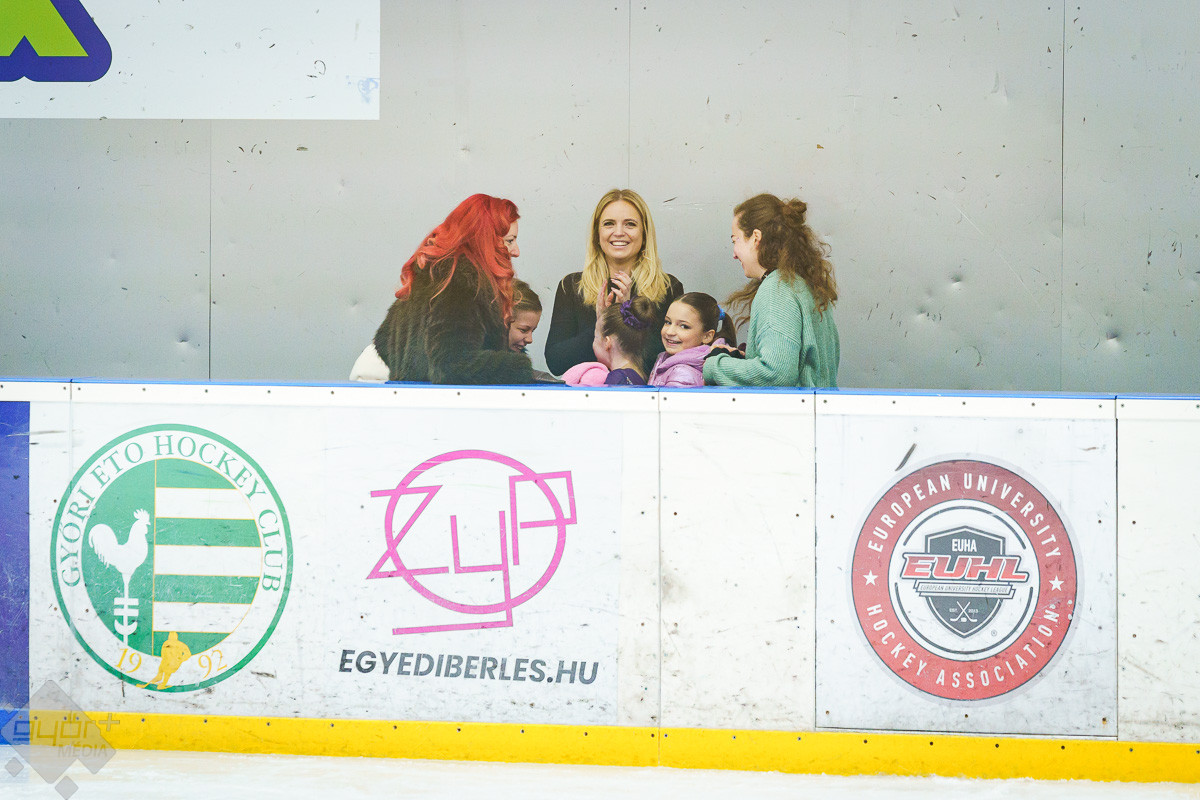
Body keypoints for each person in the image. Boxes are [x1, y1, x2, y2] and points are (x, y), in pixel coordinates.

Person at [372, 194, 534, 385]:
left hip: (410, 398)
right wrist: (518, 367)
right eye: (510, 241)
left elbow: (383, 340)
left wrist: (415, 370)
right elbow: (451, 366)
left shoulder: (431, 276)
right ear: (484, 240)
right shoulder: (463, 285)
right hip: (449, 402)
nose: (516, 251)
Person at [702, 193, 840, 388]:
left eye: (735, 240)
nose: (734, 254)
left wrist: (714, 366)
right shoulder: (804, 286)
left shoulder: (777, 289)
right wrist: (744, 362)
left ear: (755, 238)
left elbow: (776, 373)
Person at [544, 189, 684, 376]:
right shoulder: (571, 286)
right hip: (587, 392)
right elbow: (556, 362)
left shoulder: (668, 288)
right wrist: (601, 326)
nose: (618, 232)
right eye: (609, 224)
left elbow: (670, 360)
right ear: (597, 233)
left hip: (644, 392)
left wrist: (628, 321)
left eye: (630, 224)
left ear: (644, 234)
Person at [647, 292, 737, 387]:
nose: (670, 332)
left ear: (707, 336)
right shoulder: (666, 359)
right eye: (668, 322)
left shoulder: (682, 374)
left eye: (684, 326)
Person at [562, 298, 658, 386]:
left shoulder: (617, 378)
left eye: (596, 337)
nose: (593, 343)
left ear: (607, 342)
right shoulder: (639, 375)